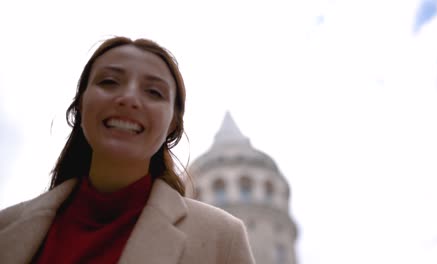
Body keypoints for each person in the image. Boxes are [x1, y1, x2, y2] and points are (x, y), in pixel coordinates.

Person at [0, 36, 255, 264]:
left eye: (154, 92)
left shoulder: (221, 239)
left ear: (173, 124)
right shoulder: (6, 227)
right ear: (80, 104)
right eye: (109, 82)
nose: (129, 98)